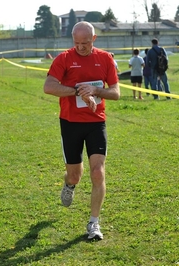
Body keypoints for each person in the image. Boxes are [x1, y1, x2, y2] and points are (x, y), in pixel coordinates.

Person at [43, 21, 120, 240]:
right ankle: (69, 183)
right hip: (70, 123)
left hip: (96, 123)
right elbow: (49, 86)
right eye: (76, 42)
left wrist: (96, 90)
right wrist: (78, 91)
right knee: (76, 175)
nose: (80, 47)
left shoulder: (105, 59)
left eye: (85, 43)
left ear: (93, 40)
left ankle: (94, 223)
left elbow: (116, 93)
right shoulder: (64, 58)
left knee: (97, 172)